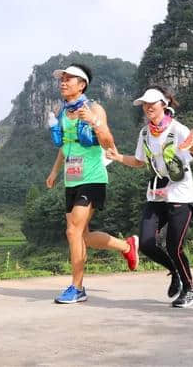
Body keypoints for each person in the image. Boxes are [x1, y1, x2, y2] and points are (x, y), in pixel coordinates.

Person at [106, 86, 193, 308]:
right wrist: (117, 157)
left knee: (174, 246)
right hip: (156, 193)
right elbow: (139, 162)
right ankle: (175, 271)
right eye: (145, 104)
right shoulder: (144, 133)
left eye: (152, 103)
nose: (148, 108)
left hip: (180, 192)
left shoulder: (178, 129)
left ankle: (191, 289)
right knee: (146, 242)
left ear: (164, 104)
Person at [46, 64, 139, 304]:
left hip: (93, 178)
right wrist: (54, 171)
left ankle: (76, 288)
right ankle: (127, 246)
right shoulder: (63, 113)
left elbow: (108, 142)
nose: (63, 83)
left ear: (82, 84)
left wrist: (95, 122)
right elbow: (65, 145)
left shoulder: (95, 108)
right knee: (82, 236)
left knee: (72, 231)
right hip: (72, 180)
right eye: (61, 79)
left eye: (68, 79)